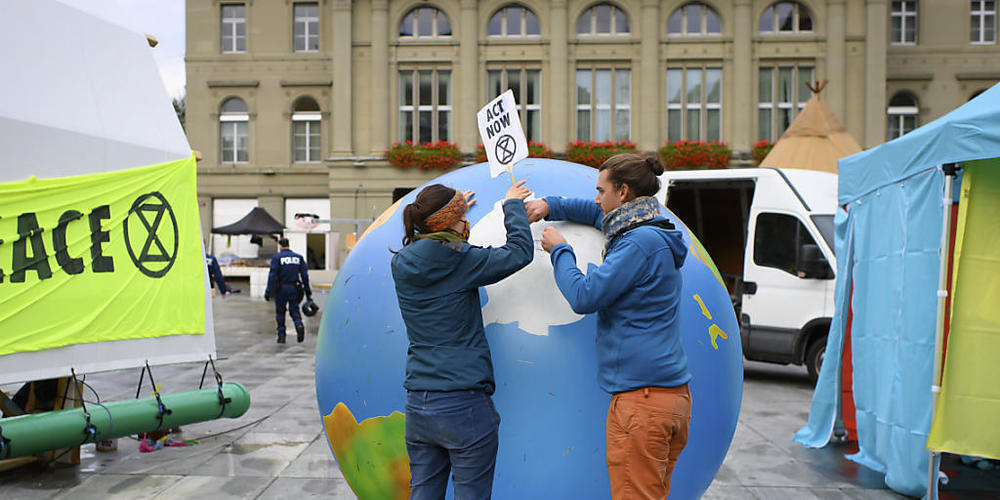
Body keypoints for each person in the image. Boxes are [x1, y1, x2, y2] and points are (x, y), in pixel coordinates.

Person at [526, 153, 692, 499]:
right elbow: (596, 213)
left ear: (624, 192)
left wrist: (561, 251)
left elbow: (585, 296)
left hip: (642, 404)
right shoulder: (647, 227)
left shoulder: (637, 243)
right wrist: (549, 205)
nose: (597, 199)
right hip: (665, 399)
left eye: (601, 191)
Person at [390, 181, 533, 499]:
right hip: (462, 405)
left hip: (418, 404)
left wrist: (451, 214)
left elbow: (433, 243)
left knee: (423, 493)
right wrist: (512, 205)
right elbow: (520, 252)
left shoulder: (400, 263)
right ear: (450, 222)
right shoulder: (460, 259)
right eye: (461, 216)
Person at [265, 237, 312, 344]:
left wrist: (268, 290)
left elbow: (272, 275)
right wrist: (308, 291)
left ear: (280, 246)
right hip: (294, 288)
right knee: (294, 310)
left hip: (281, 289)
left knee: (280, 312)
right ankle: (299, 324)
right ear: (288, 245)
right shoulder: (298, 257)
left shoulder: (277, 258)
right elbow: (304, 275)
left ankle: (281, 336)